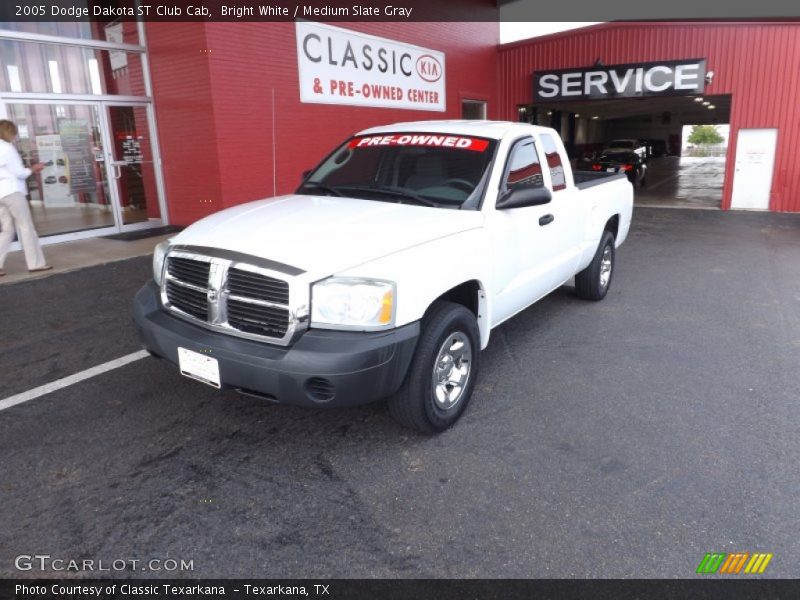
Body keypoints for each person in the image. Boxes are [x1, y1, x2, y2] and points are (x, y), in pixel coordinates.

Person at [0, 119, 51, 276]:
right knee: (26, 227)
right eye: (14, 133)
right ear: (9, 132)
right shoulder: (8, 148)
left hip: (0, 195)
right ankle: (35, 263)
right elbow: (19, 173)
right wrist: (33, 169)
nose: (15, 136)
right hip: (13, 192)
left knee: (7, 230)